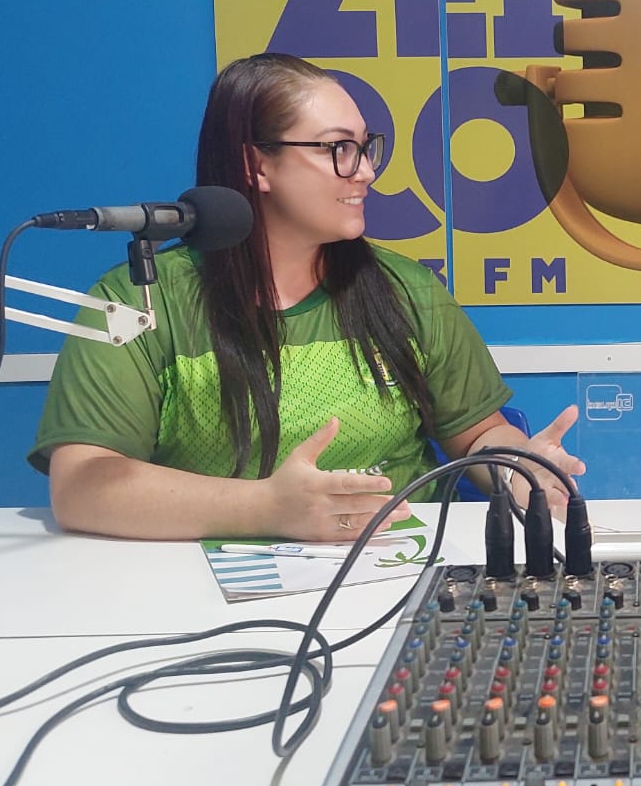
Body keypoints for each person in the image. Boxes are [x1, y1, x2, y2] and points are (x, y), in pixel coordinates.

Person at [29, 53, 583, 541]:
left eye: (365, 148)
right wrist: (267, 509)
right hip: (204, 589)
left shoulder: (407, 291)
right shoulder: (141, 301)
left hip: (398, 567)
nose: (365, 172)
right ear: (256, 165)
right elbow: (82, 486)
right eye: (339, 149)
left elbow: (478, 433)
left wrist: (518, 466)